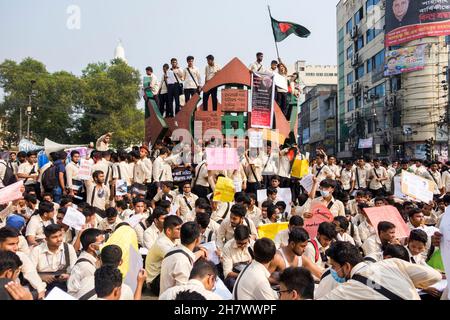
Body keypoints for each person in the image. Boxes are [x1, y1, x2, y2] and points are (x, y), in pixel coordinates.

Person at [319, 241, 442, 300]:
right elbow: (435, 276)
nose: (333, 271)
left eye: (334, 266)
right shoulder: (391, 263)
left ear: (346, 266)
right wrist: (407, 282)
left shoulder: (346, 290)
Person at [159, 222, 207, 294]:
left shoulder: (174, 250)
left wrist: (201, 252)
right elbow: (182, 293)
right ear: (197, 240)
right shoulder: (182, 261)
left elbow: (190, 256)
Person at [0, 227, 46, 299]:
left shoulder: (20, 256)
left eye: (17, 243)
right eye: (11, 244)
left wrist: (39, 293)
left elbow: (34, 278)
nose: (16, 248)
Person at [30, 224, 77, 292]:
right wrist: (40, 277)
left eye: (60, 235)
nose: (59, 239)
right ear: (46, 239)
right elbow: (30, 272)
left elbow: (75, 268)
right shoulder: (37, 250)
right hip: (41, 283)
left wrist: (68, 275)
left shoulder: (68, 248)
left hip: (63, 282)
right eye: (54, 237)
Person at [145, 215, 182, 296]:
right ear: (168, 230)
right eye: (178, 229)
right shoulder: (162, 243)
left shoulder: (174, 238)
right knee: (181, 266)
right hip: (155, 281)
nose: (180, 231)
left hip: (162, 275)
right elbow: (178, 259)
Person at [67, 228, 104, 296]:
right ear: (92, 246)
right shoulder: (86, 266)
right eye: (101, 243)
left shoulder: (95, 258)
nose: (103, 245)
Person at [222, 225, 254, 291]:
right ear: (235, 238)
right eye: (239, 243)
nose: (242, 246)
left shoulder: (253, 245)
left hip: (251, 274)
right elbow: (227, 272)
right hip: (236, 276)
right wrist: (243, 275)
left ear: (249, 238)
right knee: (231, 282)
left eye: (245, 243)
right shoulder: (227, 247)